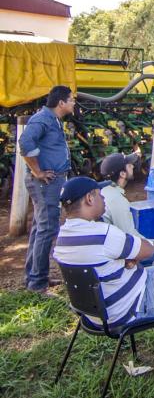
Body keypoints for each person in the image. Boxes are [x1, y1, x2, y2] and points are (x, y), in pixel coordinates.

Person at [53, 177, 154, 361]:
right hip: (136, 306)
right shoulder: (103, 233)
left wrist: (127, 258)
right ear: (89, 198)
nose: (103, 199)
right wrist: (131, 257)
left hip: (96, 315)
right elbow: (147, 250)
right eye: (100, 195)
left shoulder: (62, 239)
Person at [20, 84, 75, 293]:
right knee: (47, 229)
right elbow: (25, 142)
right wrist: (37, 172)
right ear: (61, 103)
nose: (73, 103)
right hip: (46, 183)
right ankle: (37, 284)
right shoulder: (43, 119)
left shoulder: (52, 120)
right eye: (71, 100)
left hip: (50, 182)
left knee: (40, 228)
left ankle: (34, 275)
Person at [99, 152, 154, 261]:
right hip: (117, 254)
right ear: (122, 174)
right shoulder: (116, 199)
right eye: (129, 165)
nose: (132, 166)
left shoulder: (106, 191)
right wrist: (153, 243)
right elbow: (128, 235)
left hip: (109, 248)